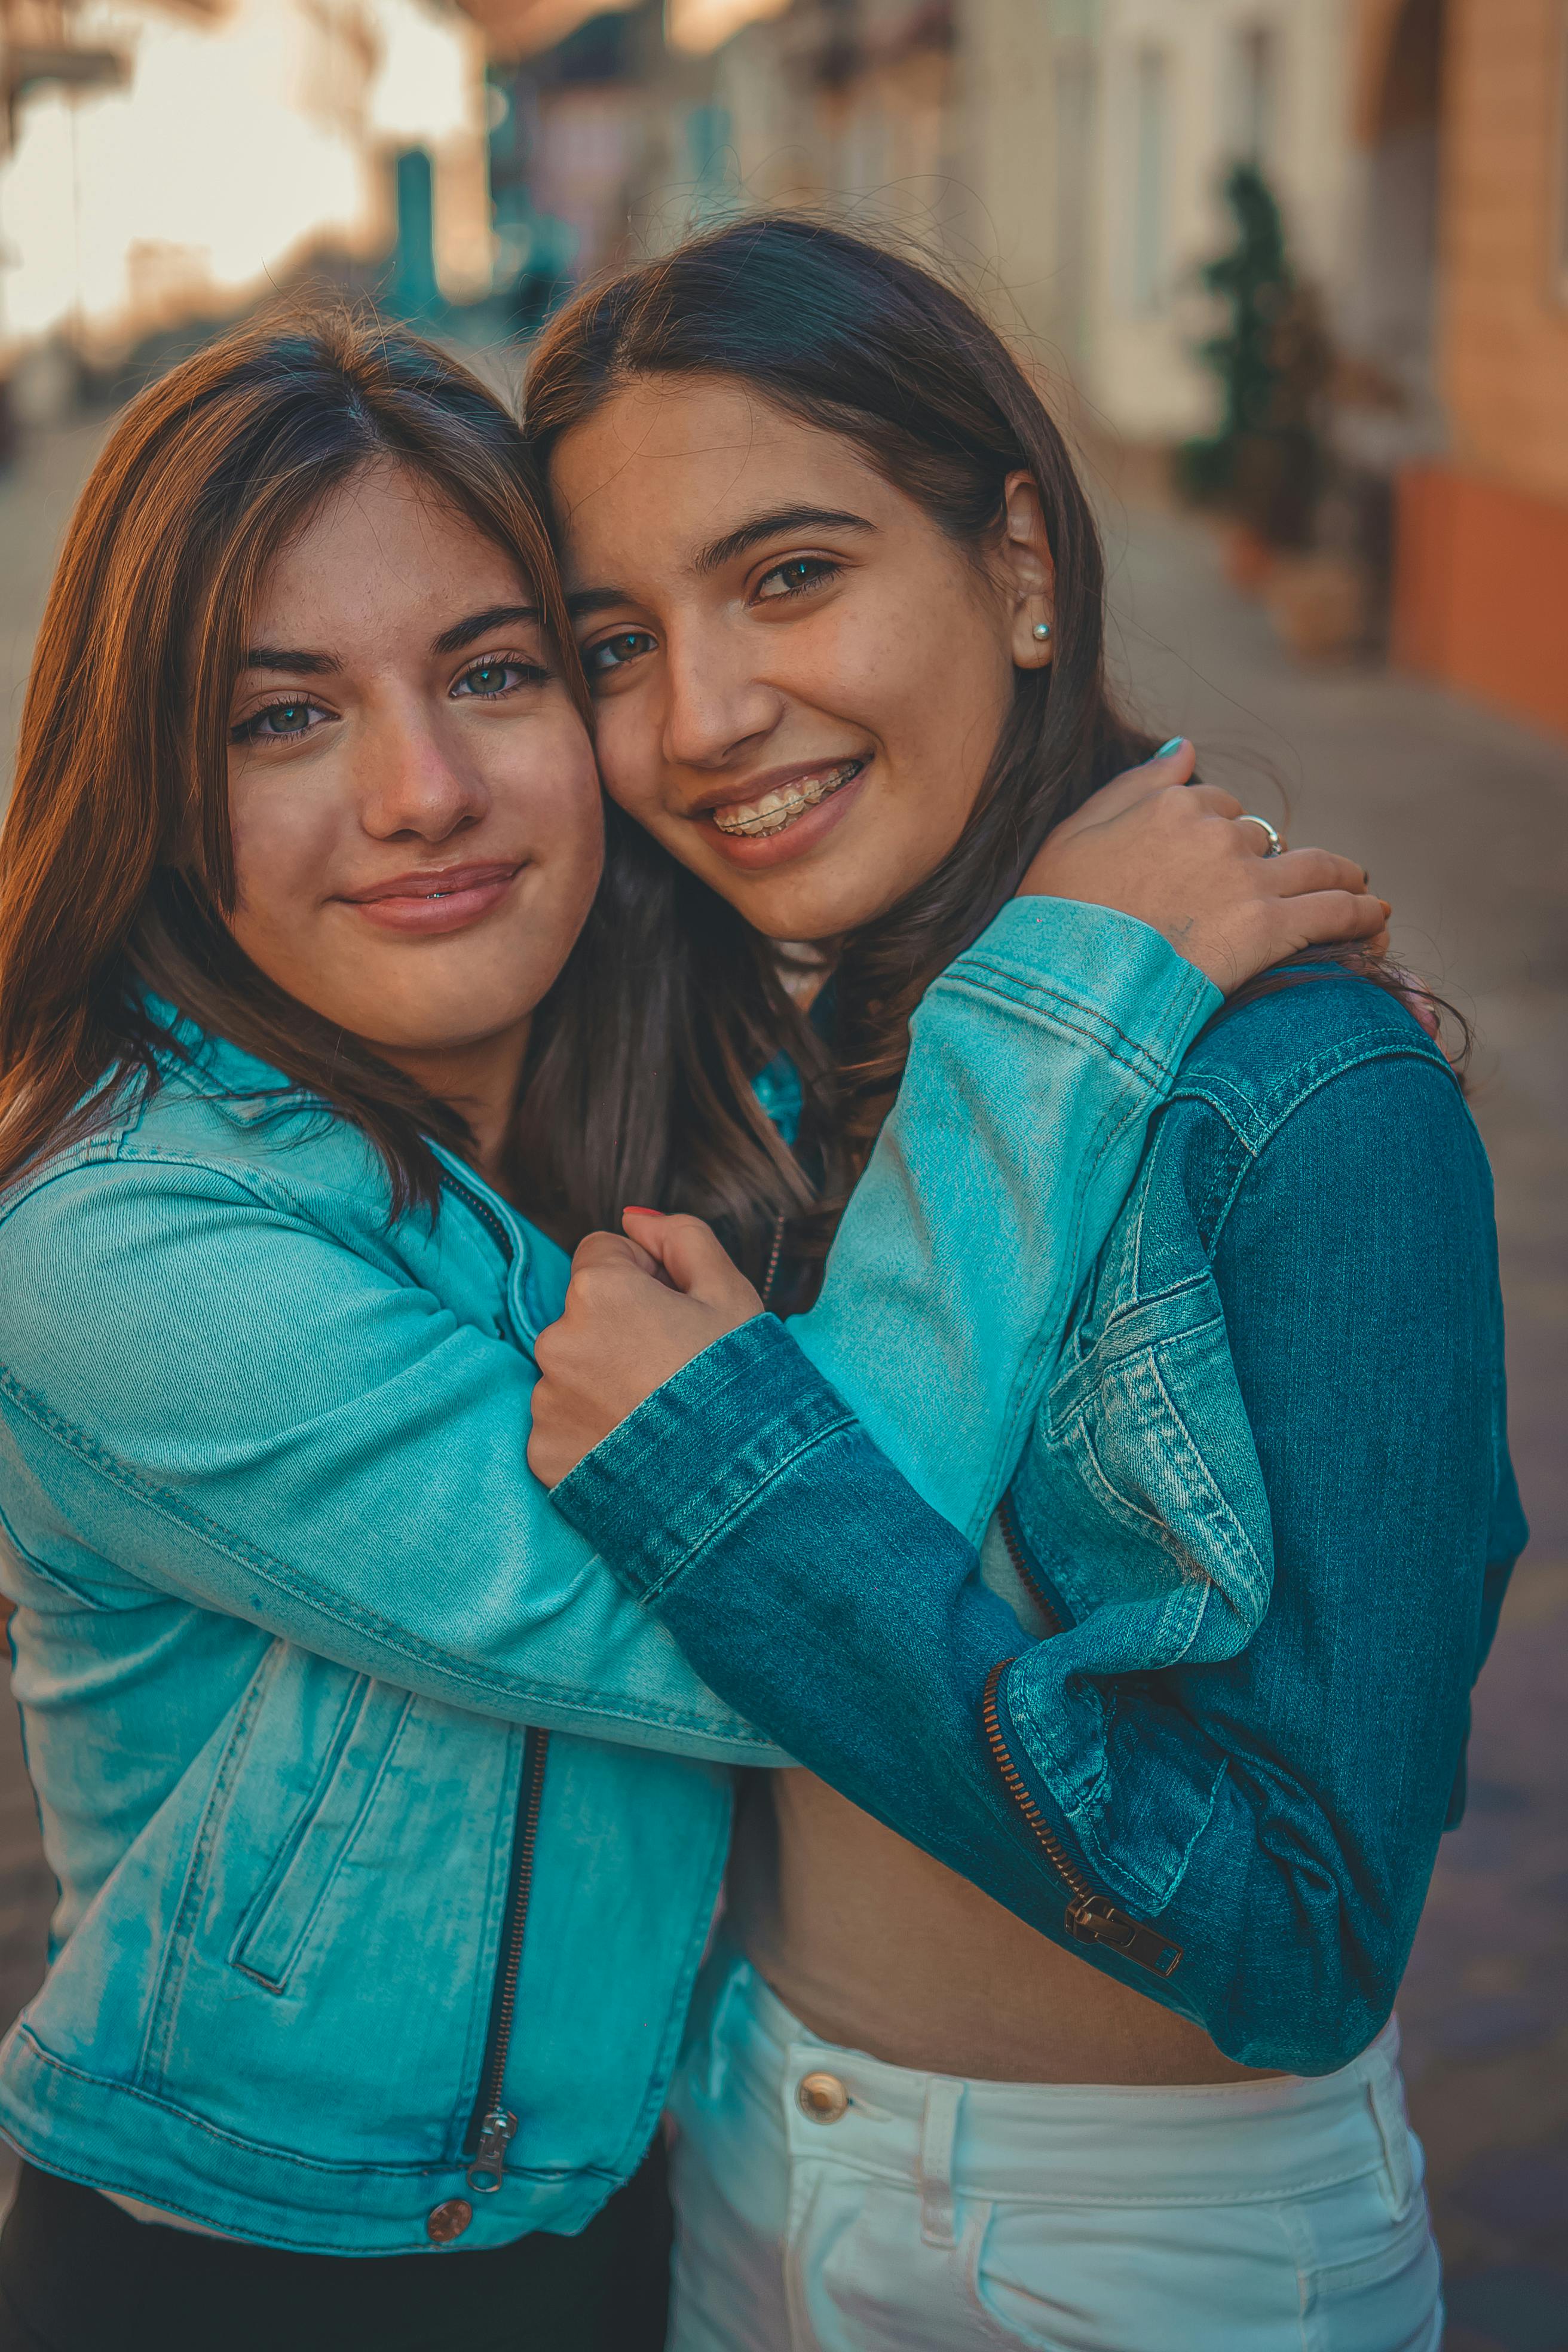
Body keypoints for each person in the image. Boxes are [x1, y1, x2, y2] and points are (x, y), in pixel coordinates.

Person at [0, 310, 1379, 2350]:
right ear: (153, 784)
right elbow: (771, 1626)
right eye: (280, 718)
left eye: (495, 674)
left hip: (663, 2201)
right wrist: (1065, 1009)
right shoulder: (110, 1245)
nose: (423, 792)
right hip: (271, 2268)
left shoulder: (682, 1073)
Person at [522, 216, 1527, 2352]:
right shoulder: (735, 1046)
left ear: (1021, 565)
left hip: (1129, 2261)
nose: (702, 718)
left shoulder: (1305, 1101)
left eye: (792, 575)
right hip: (739, 2169)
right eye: (613, 640)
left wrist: (747, 1491)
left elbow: (1310, 1933)